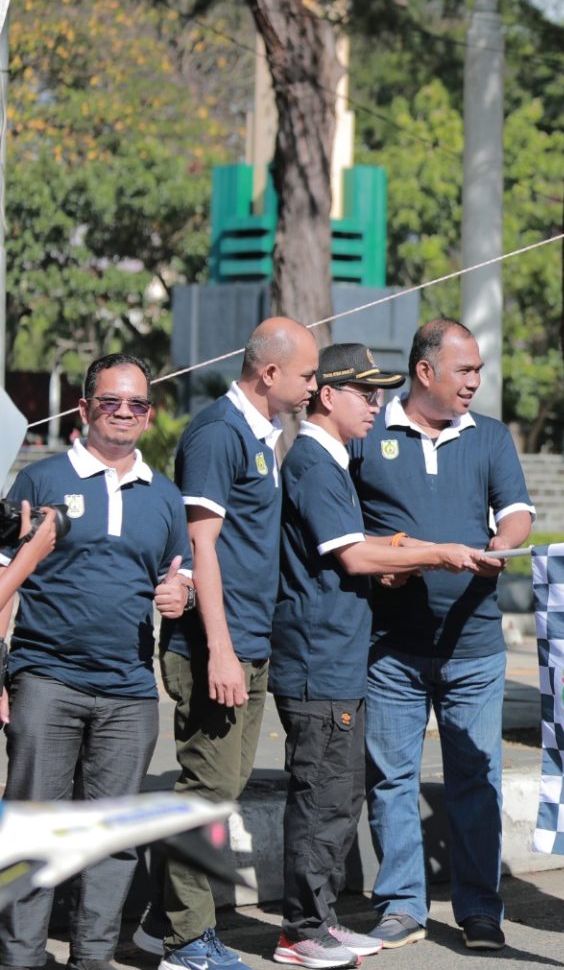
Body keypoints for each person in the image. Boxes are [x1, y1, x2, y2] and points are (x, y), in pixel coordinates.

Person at [268, 344, 494, 970]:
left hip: (339, 657)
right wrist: (436, 552)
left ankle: (321, 922)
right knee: (321, 803)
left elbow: (355, 544)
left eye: (379, 393)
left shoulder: (331, 458)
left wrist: (395, 548)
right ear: (327, 396)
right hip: (319, 658)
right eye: (363, 393)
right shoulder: (314, 460)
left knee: (338, 800)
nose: (376, 404)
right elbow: (353, 556)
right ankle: (301, 931)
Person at [348, 319, 532, 952]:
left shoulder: (490, 436)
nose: (476, 381)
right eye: (465, 370)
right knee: (391, 778)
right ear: (424, 372)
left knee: (476, 780)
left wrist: (500, 545)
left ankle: (480, 909)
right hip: (390, 648)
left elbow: (517, 513)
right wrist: (387, 560)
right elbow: (342, 526)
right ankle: (401, 905)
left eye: (478, 369)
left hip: (474, 647)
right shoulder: (368, 433)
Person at [0, 354, 184, 970]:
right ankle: (20, 957)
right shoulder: (39, 481)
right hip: (45, 679)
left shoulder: (164, 495)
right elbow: (4, 585)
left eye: (137, 404)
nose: (124, 412)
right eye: (111, 401)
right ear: (84, 408)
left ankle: (94, 957)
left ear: (149, 414)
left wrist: (179, 596)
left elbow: (177, 577)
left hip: (130, 691)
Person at [150, 318, 319, 970]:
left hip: (249, 641)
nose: (314, 386)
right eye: (307, 375)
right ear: (269, 373)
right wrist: (218, 648)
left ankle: (161, 920)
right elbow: (202, 546)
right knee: (208, 790)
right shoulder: (219, 433)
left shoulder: (260, 433)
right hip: (214, 647)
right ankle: (186, 942)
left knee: (225, 785)